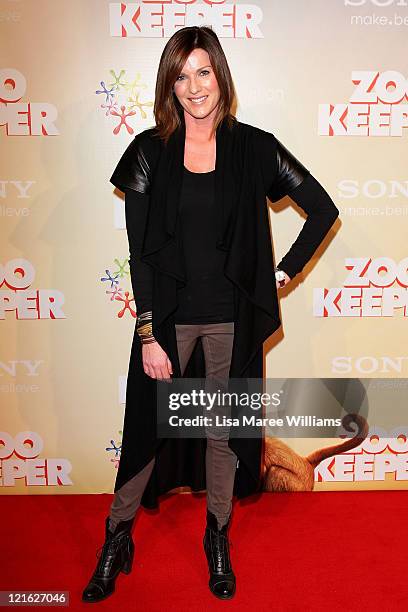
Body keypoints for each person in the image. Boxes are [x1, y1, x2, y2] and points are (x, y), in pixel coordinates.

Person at [82, 25, 339, 603]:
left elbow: (322, 208)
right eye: (181, 75)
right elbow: (141, 256)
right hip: (167, 324)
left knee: (222, 435)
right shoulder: (148, 153)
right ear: (168, 85)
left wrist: (280, 274)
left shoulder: (255, 147)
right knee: (144, 433)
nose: (194, 86)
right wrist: (148, 334)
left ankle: (216, 537)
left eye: (203, 71)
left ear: (220, 73)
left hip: (231, 321)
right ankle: (116, 539)